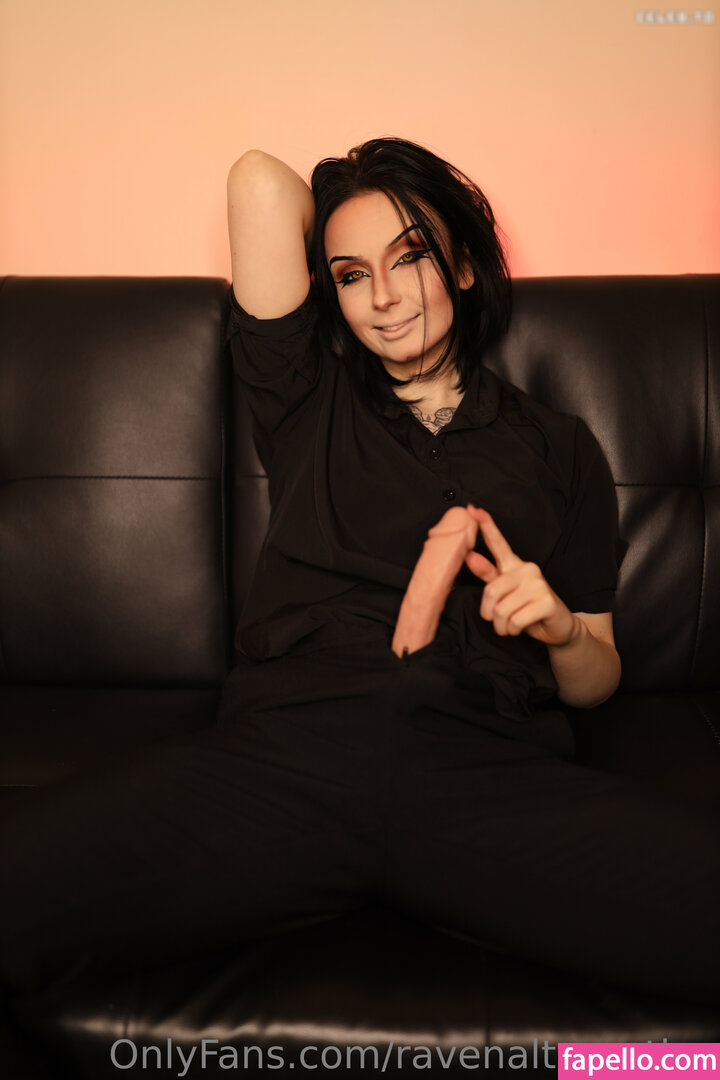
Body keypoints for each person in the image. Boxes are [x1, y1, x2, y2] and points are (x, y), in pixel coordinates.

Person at [1, 139, 718, 1039]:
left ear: (464, 265)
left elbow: (597, 678)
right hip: (287, 753)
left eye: (411, 257)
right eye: (350, 274)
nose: (382, 296)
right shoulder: (308, 397)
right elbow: (259, 183)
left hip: (485, 769)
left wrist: (561, 629)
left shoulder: (558, 444)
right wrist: (355, 189)